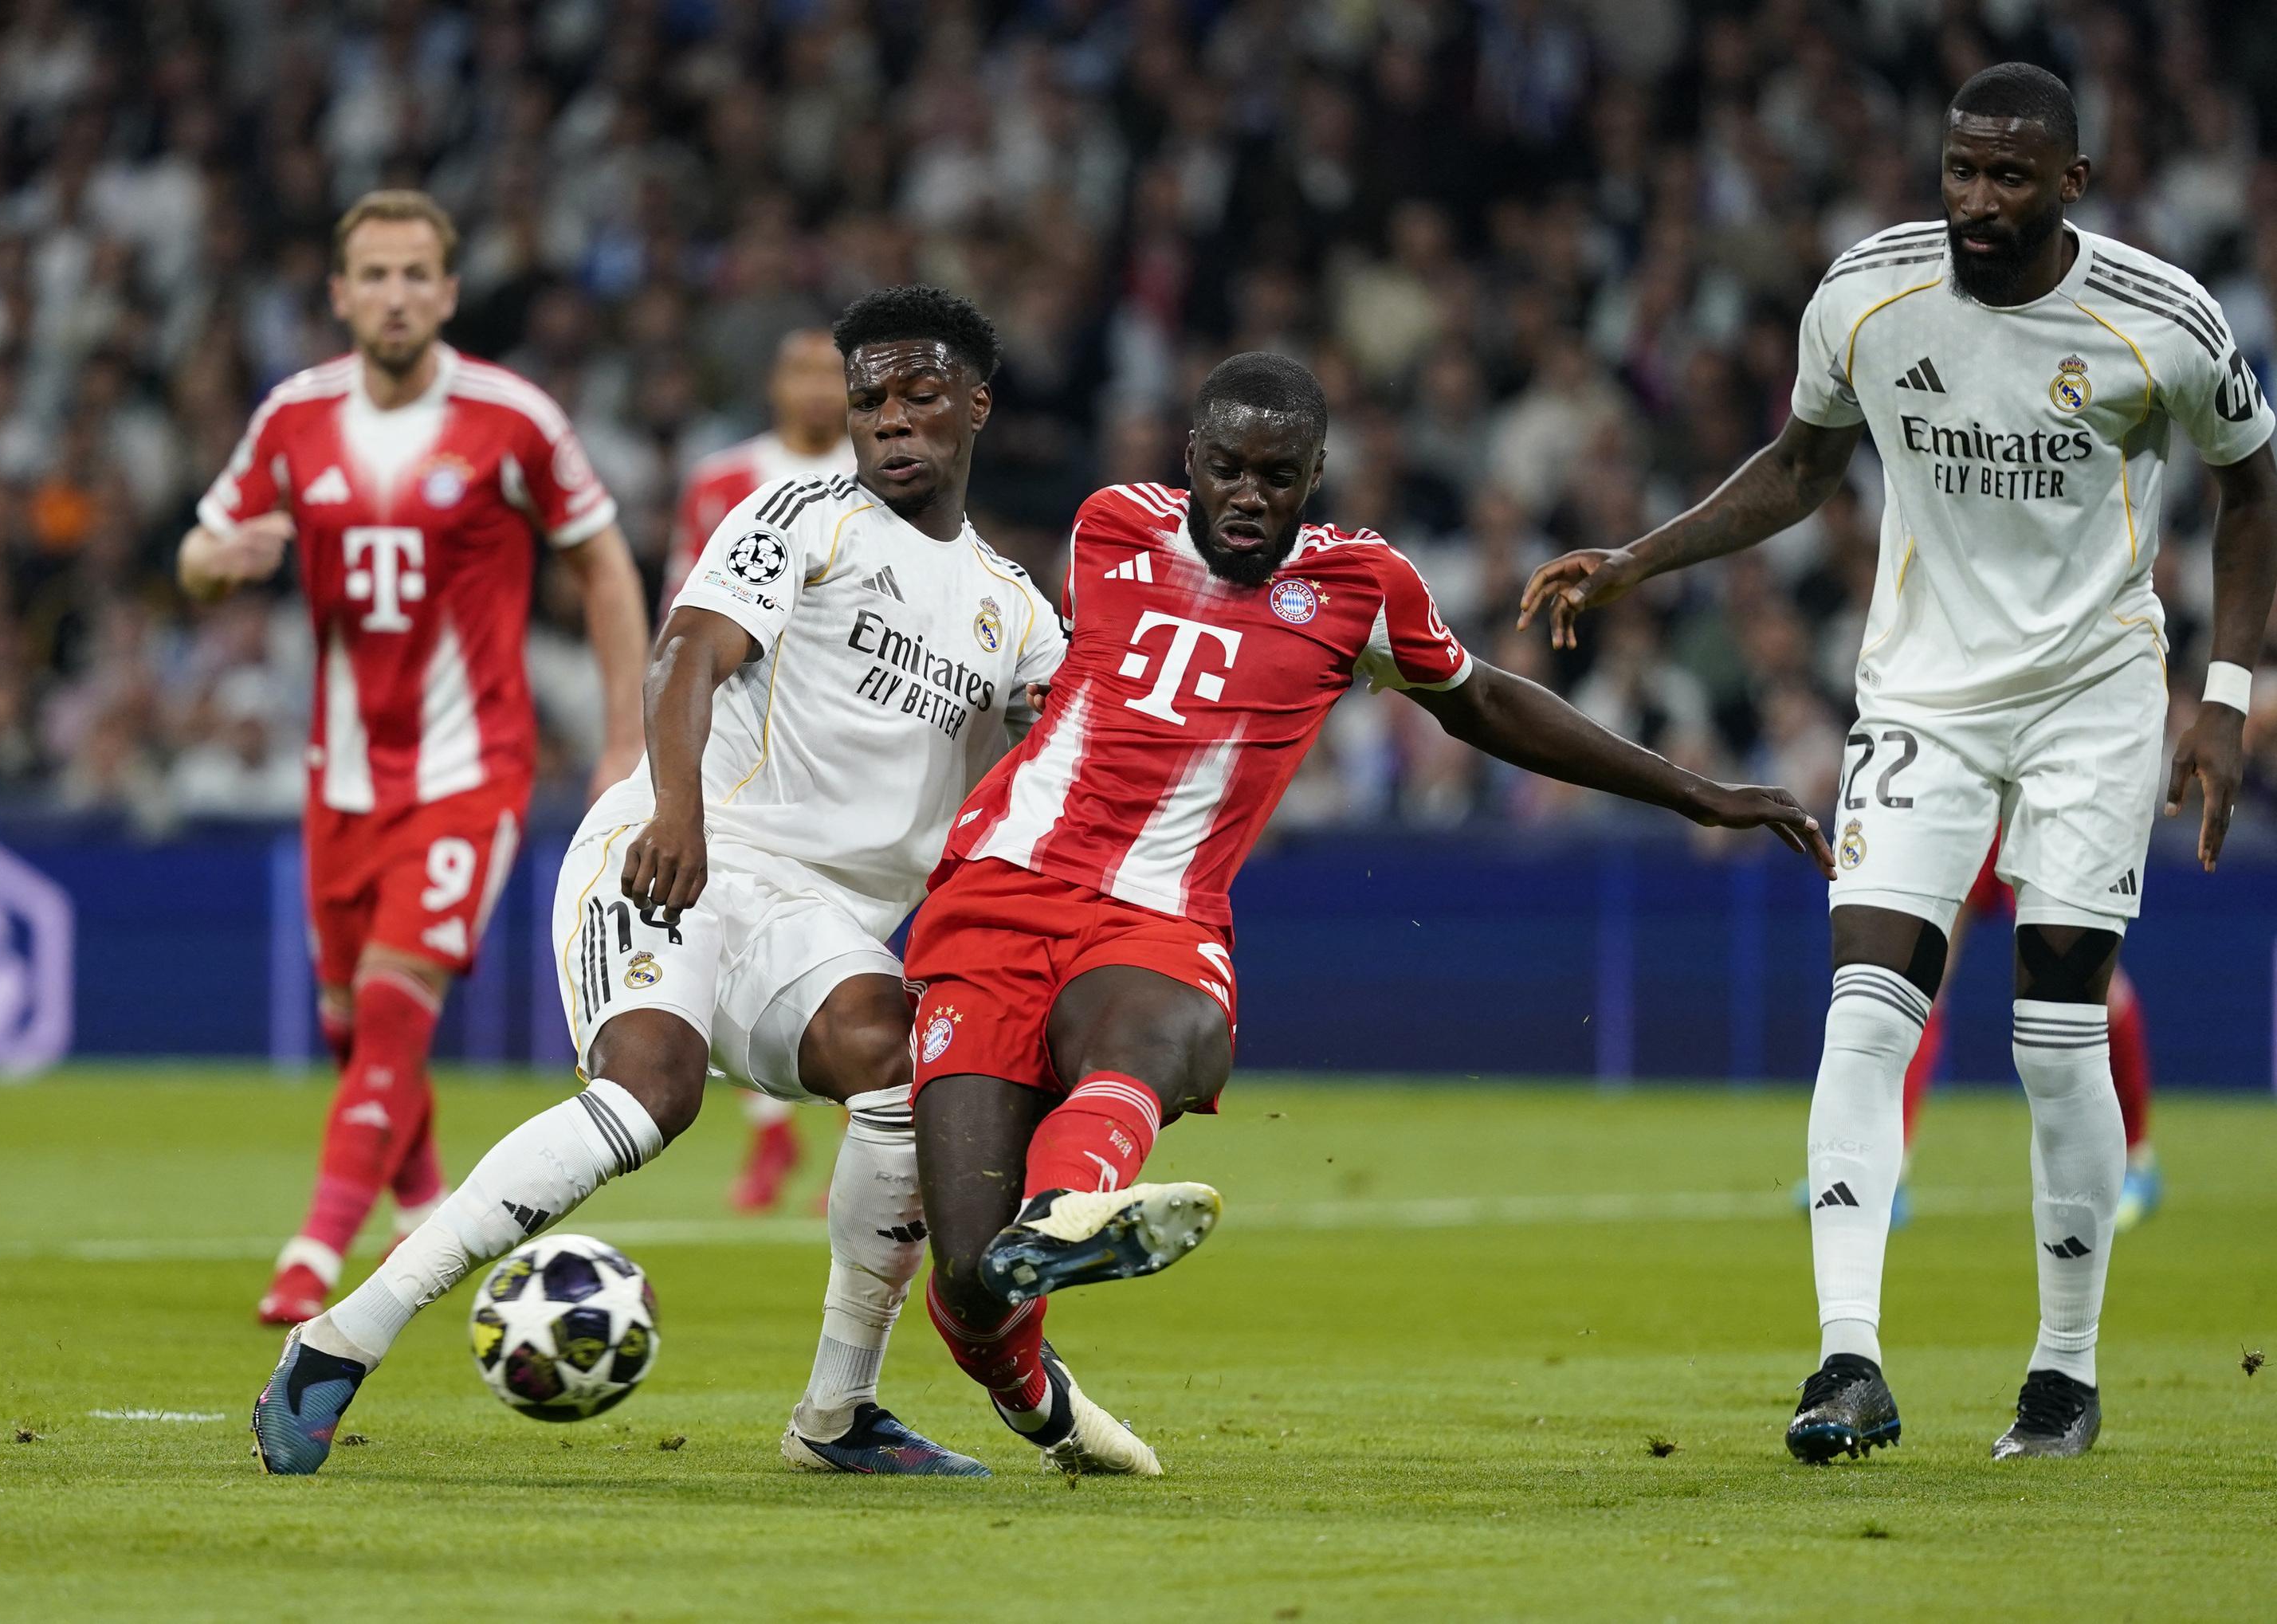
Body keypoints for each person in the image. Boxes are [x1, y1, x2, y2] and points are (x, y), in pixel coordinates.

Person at [1521, 65, 2275, 1464]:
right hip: (1924, 693)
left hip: (2093, 700)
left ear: (2072, 184)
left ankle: (2063, 1374)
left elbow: (2252, 487)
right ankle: (1849, 1360)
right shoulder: (1869, 292)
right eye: (1960, 171)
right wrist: (1639, 558)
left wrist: (2223, 695)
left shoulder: (2163, 317)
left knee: (2054, 1035)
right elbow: (1800, 466)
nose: (1977, 200)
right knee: (1866, 1012)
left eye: (2009, 176)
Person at [908, 351, 1833, 1476]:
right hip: (1002, 888)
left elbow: (1485, 701)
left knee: (1169, 1028)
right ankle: (1042, 1390)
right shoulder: (1109, 524)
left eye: (1279, 476)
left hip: (1159, 912)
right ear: (1190, 459)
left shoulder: (1361, 585)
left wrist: (1696, 789)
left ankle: (1067, 1208)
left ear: (1317, 476)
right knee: (970, 1278)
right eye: (1229, 469)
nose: (1250, 496)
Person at [253, 285, 1066, 1481]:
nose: (891, 419)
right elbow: (687, 651)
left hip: (819, 924)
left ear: (977, 408)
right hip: (679, 848)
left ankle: (837, 1412)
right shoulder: (802, 515)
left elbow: (1065, 752)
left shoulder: (1016, 612)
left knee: (900, 1062)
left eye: (919, 396)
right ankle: (338, 1340)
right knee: (650, 1096)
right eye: (870, 400)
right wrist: (676, 807)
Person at [179, 190, 649, 1326]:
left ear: (447, 292)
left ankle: (313, 1252)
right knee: (353, 1023)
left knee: (394, 1008)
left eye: (415, 275)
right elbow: (198, 548)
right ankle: (423, 1195)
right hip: (341, 775)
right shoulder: (295, 416)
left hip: (470, 767)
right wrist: (214, 563)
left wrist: (624, 740)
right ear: (341, 295)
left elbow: (602, 564)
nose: (395, 295)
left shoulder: (512, 419)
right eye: (375, 276)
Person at [663, 328, 860, 1213]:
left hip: (843, 738)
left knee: (849, 926)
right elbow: (684, 616)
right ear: (776, 384)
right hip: (743, 736)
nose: (816, 388)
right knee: (719, 923)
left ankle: (864, 1125)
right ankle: (770, 1129)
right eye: (802, 371)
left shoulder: (880, 479)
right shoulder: (721, 479)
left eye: (831, 374)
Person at [1866, 834, 2161, 1230]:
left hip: (2044, 807)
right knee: (1924, 977)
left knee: (2086, 977)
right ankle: (1887, 1172)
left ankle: (2135, 1159)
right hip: (1972, 805)